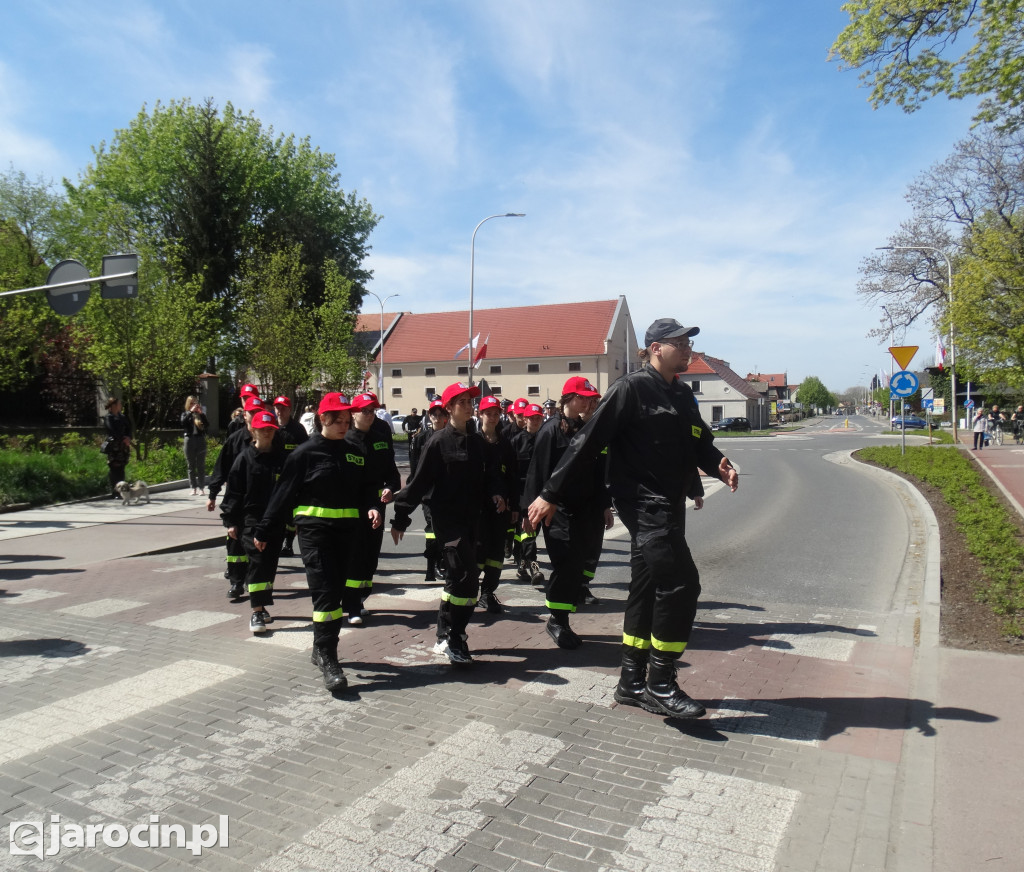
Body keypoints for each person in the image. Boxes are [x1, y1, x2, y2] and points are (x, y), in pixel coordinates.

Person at [528, 318, 738, 718]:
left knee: (645, 590)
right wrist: (549, 493)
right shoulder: (630, 389)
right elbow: (585, 444)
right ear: (656, 348)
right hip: (645, 505)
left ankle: (630, 682)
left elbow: (699, 441)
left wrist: (719, 464)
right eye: (680, 342)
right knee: (680, 585)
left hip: (670, 505)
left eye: (688, 342)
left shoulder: (682, 394)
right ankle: (660, 682)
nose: (688, 349)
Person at [255, 393, 382, 692]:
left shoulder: (354, 451)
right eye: (337, 420)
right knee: (325, 593)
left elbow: (366, 487)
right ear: (322, 419)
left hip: (347, 533)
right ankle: (329, 657)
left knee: (336, 593)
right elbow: (282, 494)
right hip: (315, 534)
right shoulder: (304, 454)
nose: (343, 425)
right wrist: (263, 530)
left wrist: (373, 504)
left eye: (346, 420)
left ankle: (319, 646)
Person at [390, 382, 506, 665]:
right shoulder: (437, 442)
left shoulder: (478, 443)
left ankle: (445, 631)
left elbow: (490, 474)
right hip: (447, 522)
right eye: (463, 402)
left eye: (470, 402)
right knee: (466, 579)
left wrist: (496, 493)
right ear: (450, 407)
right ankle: (456, 638)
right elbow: (418, 484)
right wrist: (401, 517)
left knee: (460, 580)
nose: (470, 406)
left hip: (473, 521)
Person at [523, 377, 612, 649]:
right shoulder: (550, 432)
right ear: (567, 399)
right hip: (557, 511)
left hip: (587, 509)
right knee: (566, 565)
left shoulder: (590, 429)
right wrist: (528, 514)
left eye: (590, 397)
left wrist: (605, 505)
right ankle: (557, 620)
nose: (587, 401)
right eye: (582, 397)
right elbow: (536, 474)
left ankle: (562, 616)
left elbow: (599, 474)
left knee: (580, 564)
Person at [220, 410, 286, 634]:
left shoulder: (281, 459)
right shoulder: (244, 459)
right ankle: (256, 611)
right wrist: (230, 520)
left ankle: (263, 604)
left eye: (271, 428)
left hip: (275, 521)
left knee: (269, 564)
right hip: (251, 520)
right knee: (257, 562)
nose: (267, 432)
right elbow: (234, 492)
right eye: (263, 428)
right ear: (253, 430)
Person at [344, 392, 400, 624]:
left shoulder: (380, 437)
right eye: (364, 411)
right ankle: (352, 604)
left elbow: (392, 473)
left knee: (370, 556)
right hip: (352, 509)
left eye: (372, 411)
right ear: (353, 413)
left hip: (377, 507)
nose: (369, 415)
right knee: (354, 555)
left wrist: (390, 488)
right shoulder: (344, 440)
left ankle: (360, 597)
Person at [208, 396, 269, 599]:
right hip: (238, 501)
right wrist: (213, 493)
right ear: (245, 415)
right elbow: (222, 467)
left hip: (260, 502)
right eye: (252, 412)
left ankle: (257, 584)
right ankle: (236, 582)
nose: (255, 416)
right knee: (234, 544)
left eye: (259, 411)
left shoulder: (272, 439)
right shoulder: (235, 440)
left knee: (257, 547)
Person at [475, 395, 518, 614]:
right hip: (478, 508)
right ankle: (470, 589)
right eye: (488, 413)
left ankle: (487, 592)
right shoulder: (473, 442)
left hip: (501, 508)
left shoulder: (505, 444)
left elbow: (512, 476)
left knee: (496, 553)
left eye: (495, 414)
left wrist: (513, 506)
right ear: (479, 415)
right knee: (478, 549)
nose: (492, 417)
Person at [408, 398, 449, 582]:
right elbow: (414, 467)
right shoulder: (420, 438)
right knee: (431, 528)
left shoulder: (451, 437)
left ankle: (442, 562)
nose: (437, 418)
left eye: (441, 415)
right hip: (428, 492)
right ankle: (430, 565)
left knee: (445, 529)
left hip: (446, 491)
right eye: (434, 414)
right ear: (429, 416)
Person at [511, 403, 546, 584]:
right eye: (531, 418)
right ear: (525, 419)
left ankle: (522, 565)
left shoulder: (546, 439)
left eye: (538, 417)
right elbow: (511, 472)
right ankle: (533, 566)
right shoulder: (516, 441)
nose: (535, 421)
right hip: (522, 494)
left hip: (541, 493)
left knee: (532, 531)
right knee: (527, 531)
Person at [272, 395, 309, 557]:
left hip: (293, 478)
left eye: (283, 408)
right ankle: (274, 541)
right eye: (277, 408)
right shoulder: (271, 427)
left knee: (290, 514)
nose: (280, 411)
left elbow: (306, 452)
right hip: (274, 477)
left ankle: (288, 544)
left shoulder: (298, 429)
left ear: (289, 410)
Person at [102, 396, 132, 498]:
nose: (121, 406)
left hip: (123, 446)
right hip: (114, 446)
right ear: (114, 405)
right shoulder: (108, 417)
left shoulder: (122, 417)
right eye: (119, 404)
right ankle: (115, 491)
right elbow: (111, 431)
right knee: (115, 467)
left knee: (122, 467)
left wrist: (128, 438)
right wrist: (122, 438)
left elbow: (129, 428)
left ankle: (122, 490)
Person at [180, 395, 209, 495]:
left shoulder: (200, 415)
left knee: (200, 465)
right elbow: (183, 423)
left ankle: (201, 488)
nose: (193, 405)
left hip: (200, 439)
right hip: (189, 439)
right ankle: (193, 487)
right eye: (191, 403)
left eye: (195, 403)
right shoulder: (185, 414)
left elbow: (207, 425)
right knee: (191, 465)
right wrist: (190, 412)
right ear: (188, 404)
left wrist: (202, 414)